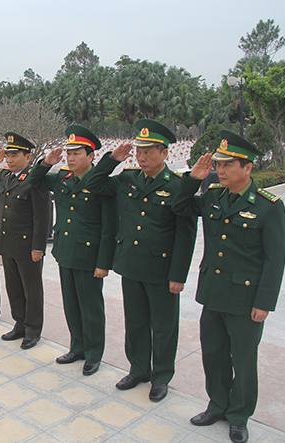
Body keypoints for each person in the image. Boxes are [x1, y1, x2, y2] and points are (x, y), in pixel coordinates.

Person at [173, 130, 285, 443]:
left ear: (248, 167)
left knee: (244, 360)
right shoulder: (211, 195)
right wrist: (192, 180)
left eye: (227, 165)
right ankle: (217, 405)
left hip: (245, 299)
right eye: (218, 165)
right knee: (214, 354)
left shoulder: (268, 206)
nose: (220, 170)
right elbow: (179, 208)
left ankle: (239, 415)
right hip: (213, 293)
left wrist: (264, 302)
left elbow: (275, 260)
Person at [83, 119, 197, 400]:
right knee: (135, 322)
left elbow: (186, 236)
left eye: (149, 152)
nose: (142, 157)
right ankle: (138, 369)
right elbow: (93, 184)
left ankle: (161, 376)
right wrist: (111, 161)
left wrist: (178, 276)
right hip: (130, 264)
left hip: (161, 270)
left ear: (165, 153)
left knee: (163, 327)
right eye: (139, 152)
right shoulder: (127, 179)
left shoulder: (178, 186)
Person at [28, 125, 117, 375]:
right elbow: (34, 181)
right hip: (66, 251)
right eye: (68, 153)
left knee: (91, 307)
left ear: (91, 156)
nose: (70, 158)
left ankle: (93, 353)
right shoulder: (62, 178)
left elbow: (109, 227)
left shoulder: (100, 184)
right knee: (71, 304)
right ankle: (77, 347)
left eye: (77, 153)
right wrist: (46, 162)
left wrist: (103, 263)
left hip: (89, 256)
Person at [0, 132, 51, 350]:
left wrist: (38, 247)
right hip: (7, 243)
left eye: (15, 155)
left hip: (27, 246)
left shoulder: (34, 180)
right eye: (8, 155)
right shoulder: (3, 176)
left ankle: (33, 330)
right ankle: (19, 325)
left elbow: (43, 217)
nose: (10, 159)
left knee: (32, 290)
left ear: (28, 158)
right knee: (13, 287)